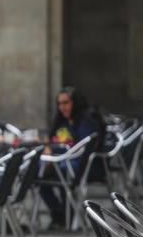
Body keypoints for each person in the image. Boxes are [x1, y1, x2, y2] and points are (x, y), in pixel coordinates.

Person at [40, 86, 105, 226]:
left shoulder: (87, 119)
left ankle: (66, 217)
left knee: (62, 172)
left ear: (75, 102)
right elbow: (51, 139)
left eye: (66, 102)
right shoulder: (61, 121)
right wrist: (48, 148)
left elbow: (84, 147)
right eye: (59, 104)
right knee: (37, 175)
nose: (62, 107)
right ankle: (58, 214)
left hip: (85, 165)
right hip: (61, 162)